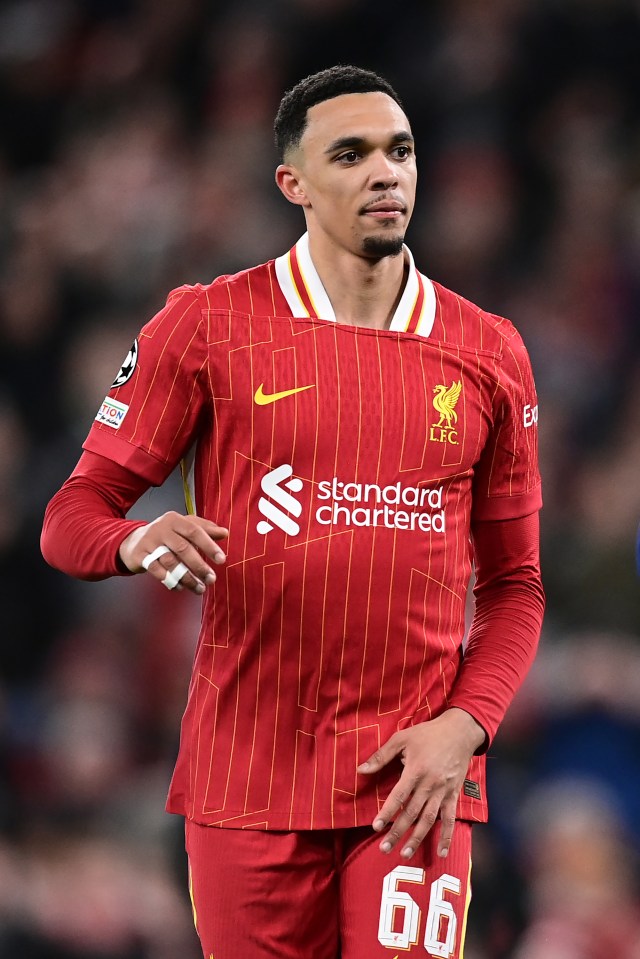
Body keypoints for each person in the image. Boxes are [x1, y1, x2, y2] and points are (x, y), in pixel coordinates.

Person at [41, 65, 545, 959]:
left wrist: (463, 731)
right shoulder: (207, 325)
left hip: (414, 782)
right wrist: (136, 540)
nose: (385, 173)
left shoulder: (489, 350)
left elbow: (516, 586)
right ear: (294, 184)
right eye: (349, 155)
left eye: (400, 150)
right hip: (248, 778)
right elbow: (73, 514)